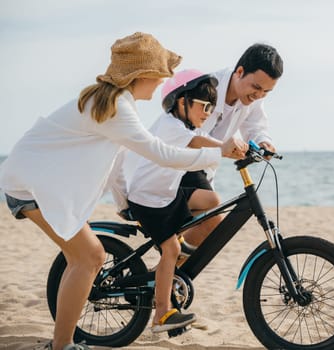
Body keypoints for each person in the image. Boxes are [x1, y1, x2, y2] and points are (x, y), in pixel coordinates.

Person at [0, 32, 242, 350]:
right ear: (143, 75)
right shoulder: (116, 108)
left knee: (88, 257)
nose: (162, 83)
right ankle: (61, 346)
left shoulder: (112, 103)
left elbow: (116, 162)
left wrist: (122, 200)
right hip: (32, 185)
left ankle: (61, 344)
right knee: (89, 258)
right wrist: (218, 152)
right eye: (159, 75)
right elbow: (161, 154)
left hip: (31, 180)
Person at [121, 69, 247, 333]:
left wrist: (237, 149)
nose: (208, 113)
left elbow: (200, 142)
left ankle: (181, 245)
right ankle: (162, 315)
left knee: (211, 199)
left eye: (212, 107)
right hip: (149, 200)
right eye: (204, 106)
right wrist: (224, 146)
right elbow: (200, 142)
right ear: (182, 102)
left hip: (166, 195)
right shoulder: (171, 126)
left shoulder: (181, 126)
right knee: (171, 250)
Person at [182, 43, 283, 187]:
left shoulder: (252, 98)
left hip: (204, 172)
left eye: (266, 91)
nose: (260, 95)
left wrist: (263, 142)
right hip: (176, 170)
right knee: (210, 203)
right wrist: (223, 147)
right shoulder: (205, 88)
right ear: (240, 72)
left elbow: (256, 127)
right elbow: (183, 135)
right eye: (256, 87)